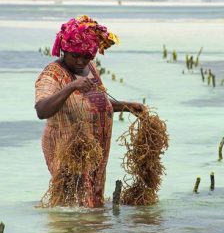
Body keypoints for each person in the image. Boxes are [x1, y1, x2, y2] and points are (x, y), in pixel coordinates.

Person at [35, 15, 144, 208]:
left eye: (86, 57)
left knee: (91, 205)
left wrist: (127, 106)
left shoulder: (90, 69)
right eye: (75, 56)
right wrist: (71, 86)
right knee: (70, 204)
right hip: (69, 150)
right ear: (64, 50)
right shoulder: (52, 74)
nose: (80, 61)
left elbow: (93, 103)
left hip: (95, 151)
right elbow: (42, 110)